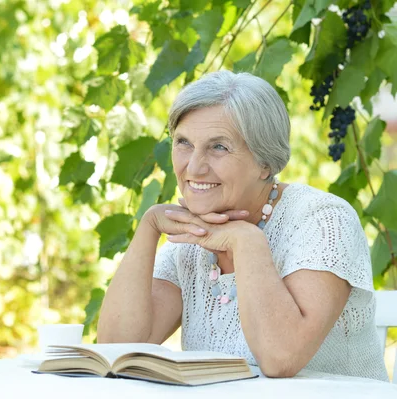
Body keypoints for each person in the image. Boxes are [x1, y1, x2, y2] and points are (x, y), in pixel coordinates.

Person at [96, 70, 389, 381]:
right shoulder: (196, 234)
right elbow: (117, 349)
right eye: (183, 142)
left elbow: (280, 359)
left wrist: (246, 241)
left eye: (218, 147)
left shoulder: (323, 220)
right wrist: (149, 227)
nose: (194, 166)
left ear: (265, 162)